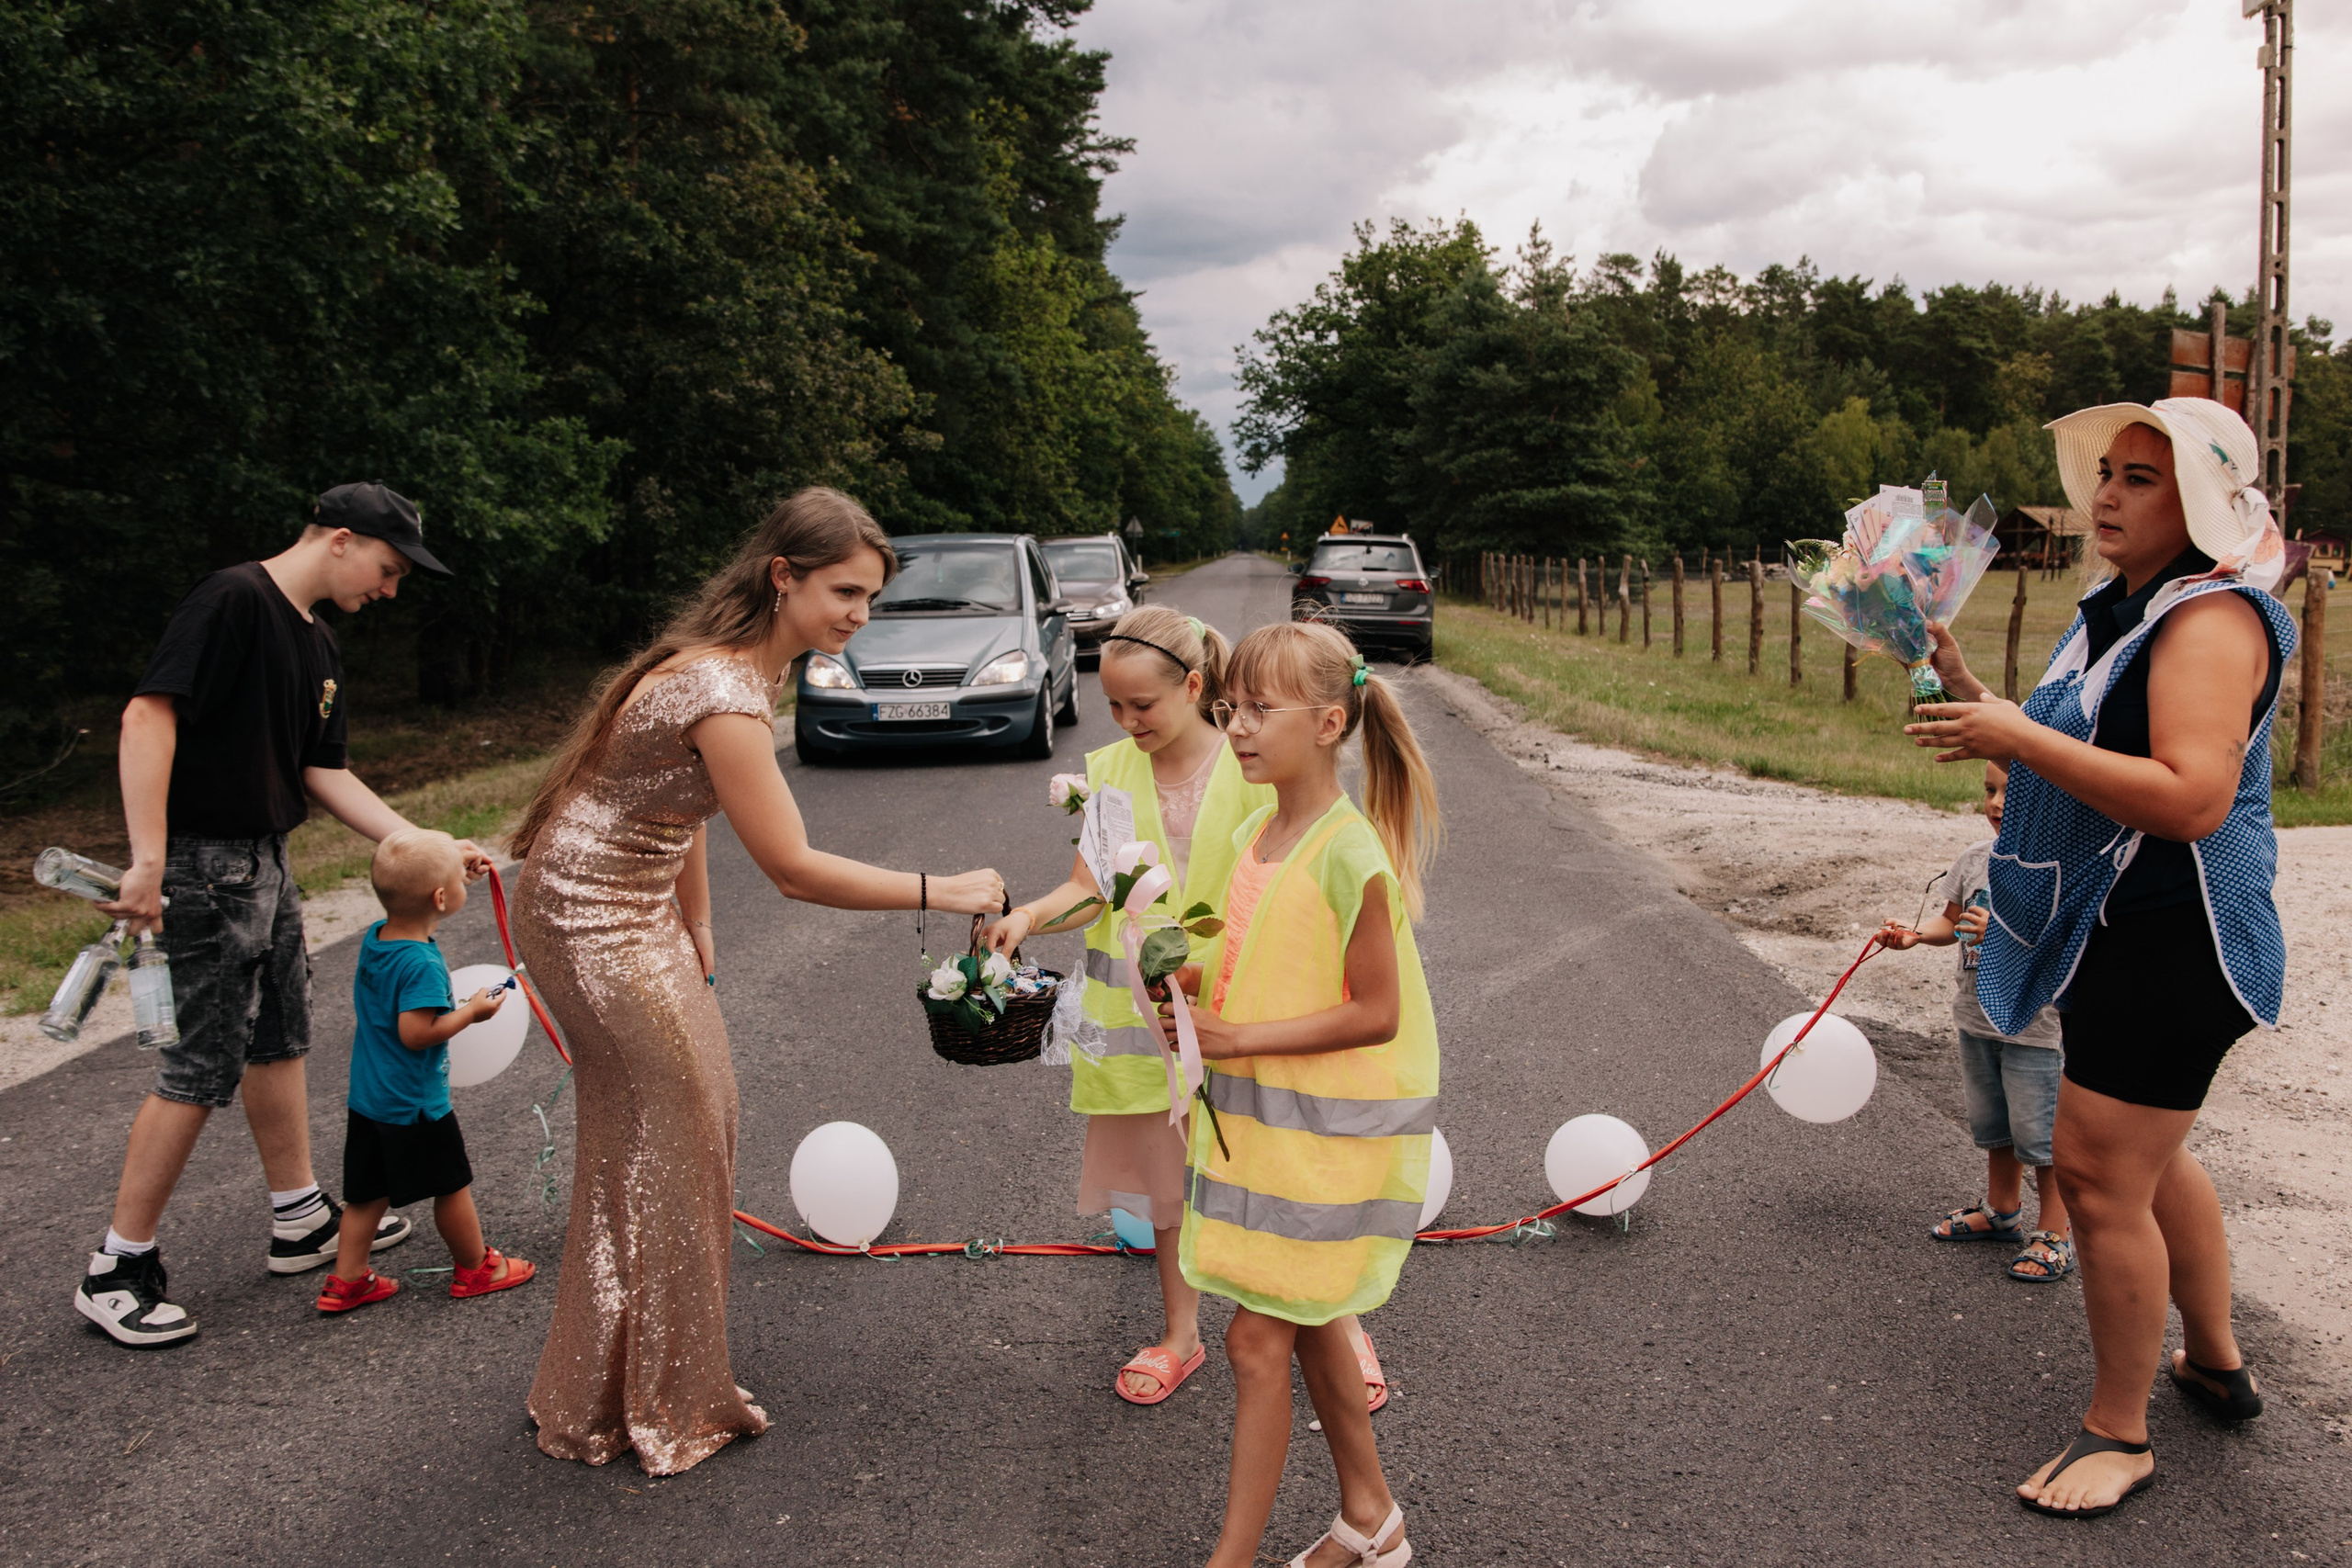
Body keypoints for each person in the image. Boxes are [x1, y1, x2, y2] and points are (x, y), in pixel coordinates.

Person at [506, 486, 1004, 1476]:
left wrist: (694, 919)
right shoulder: (725, 690)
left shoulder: (742, 674)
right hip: (588, 916)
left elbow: (674, 805)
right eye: (844, 592)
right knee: (682, 1134)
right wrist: (945, 888)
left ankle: (600, 1388)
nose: (859, 615)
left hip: (620, 904)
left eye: (870, 597)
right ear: (783, 576)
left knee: (662, 1132)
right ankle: (666, 1401)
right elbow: (792, 866)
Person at [1905, 398, 2292, 1518]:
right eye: (2108, 475)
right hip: (2119, 925)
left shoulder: (2209, 621)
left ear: (2204, 507)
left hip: (2178, 938)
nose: (2107, 496)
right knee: (2152, 1157)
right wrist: (1970, 688)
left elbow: (2190, 798)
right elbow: (2081, 742)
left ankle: (2118, 1434)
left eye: (2140, 480)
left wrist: (2011, 737)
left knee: (2095, 1176)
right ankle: (2213, 1363)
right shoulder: (2127, 607)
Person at [77, 482, 489, 1349]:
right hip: (201, 865)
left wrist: (431, 842)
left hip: (268, 859)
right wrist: (149, 858)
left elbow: (320, 773)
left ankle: (299, 1214)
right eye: (388, 566)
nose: (391, 587)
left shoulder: (319, 643)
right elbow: (147, 716)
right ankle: (117, 1266)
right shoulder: (232, 599)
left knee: (280, 1039)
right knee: (198, 1066)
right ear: (340, 539)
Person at [1163, 620, 1441, 1568]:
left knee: (1251, 1342)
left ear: (1329, 723)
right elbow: (1254, 961)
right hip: (1271, 1139)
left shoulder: (1346, 851)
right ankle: (1371, 1522)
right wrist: (1185, 990)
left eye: (1259, 709)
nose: (1236, 727)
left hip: (1328, 1140)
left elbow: (1376, 1012)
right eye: (1229, 707)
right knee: (1315, 1318)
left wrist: (1240, 1036)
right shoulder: (1254, 831)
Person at [988, 606, 1278, 1406]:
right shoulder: (1109, 771)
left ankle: (1333, 1325)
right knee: (1168, 1182)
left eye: (1142, 705)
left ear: (1193, 686)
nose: (1126, 721)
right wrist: (1030, 917)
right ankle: (1181, 1333)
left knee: (1271, 1166)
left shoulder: (1250, 764)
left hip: (1231, 1008)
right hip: (1144, 1021)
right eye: (1114, 705)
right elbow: (1091, 892)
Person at [317, 829, 536, 1314]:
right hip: (414, 1101)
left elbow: (422, 888)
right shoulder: (422, 963)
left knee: (367, 1191)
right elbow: (416, 1033)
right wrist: (471, 1013)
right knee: (451, 1184)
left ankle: (348, 1279)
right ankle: (476, 1267)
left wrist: (446, 863)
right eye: (457, 881)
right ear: (440, 897)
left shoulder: (378, 939)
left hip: (370, 1095)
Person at [1876, 761, 2074, 1284]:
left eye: (2013, 791)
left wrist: (2006, 932)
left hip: (2036, 1028)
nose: (1996, 803)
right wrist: (1916, 935)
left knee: (2043, 1134)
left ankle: (2055, 1230)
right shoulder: (1974, 860)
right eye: (1990, 789)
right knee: (1996, 1124)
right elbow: (1950, 921)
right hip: (1976, 1017)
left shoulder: (2061, 866)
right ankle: (2003, 1210)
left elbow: (2067, 947)